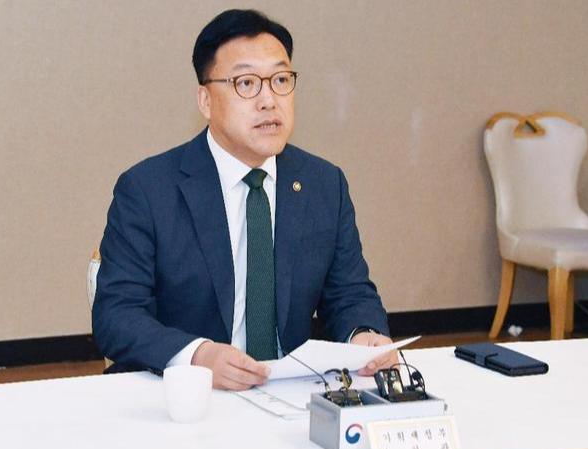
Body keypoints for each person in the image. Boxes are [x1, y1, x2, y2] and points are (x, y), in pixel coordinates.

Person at [93, 9, 397, 391]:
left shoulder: (323, 184)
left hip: (291, 391)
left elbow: (350, 294)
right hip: (187, 395)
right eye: (246, 83)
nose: (269, 100)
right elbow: (117, 315)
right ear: (205, 100)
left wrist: (363, 334)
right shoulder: (148, 190)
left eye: (281, 80)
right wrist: (197, 355)